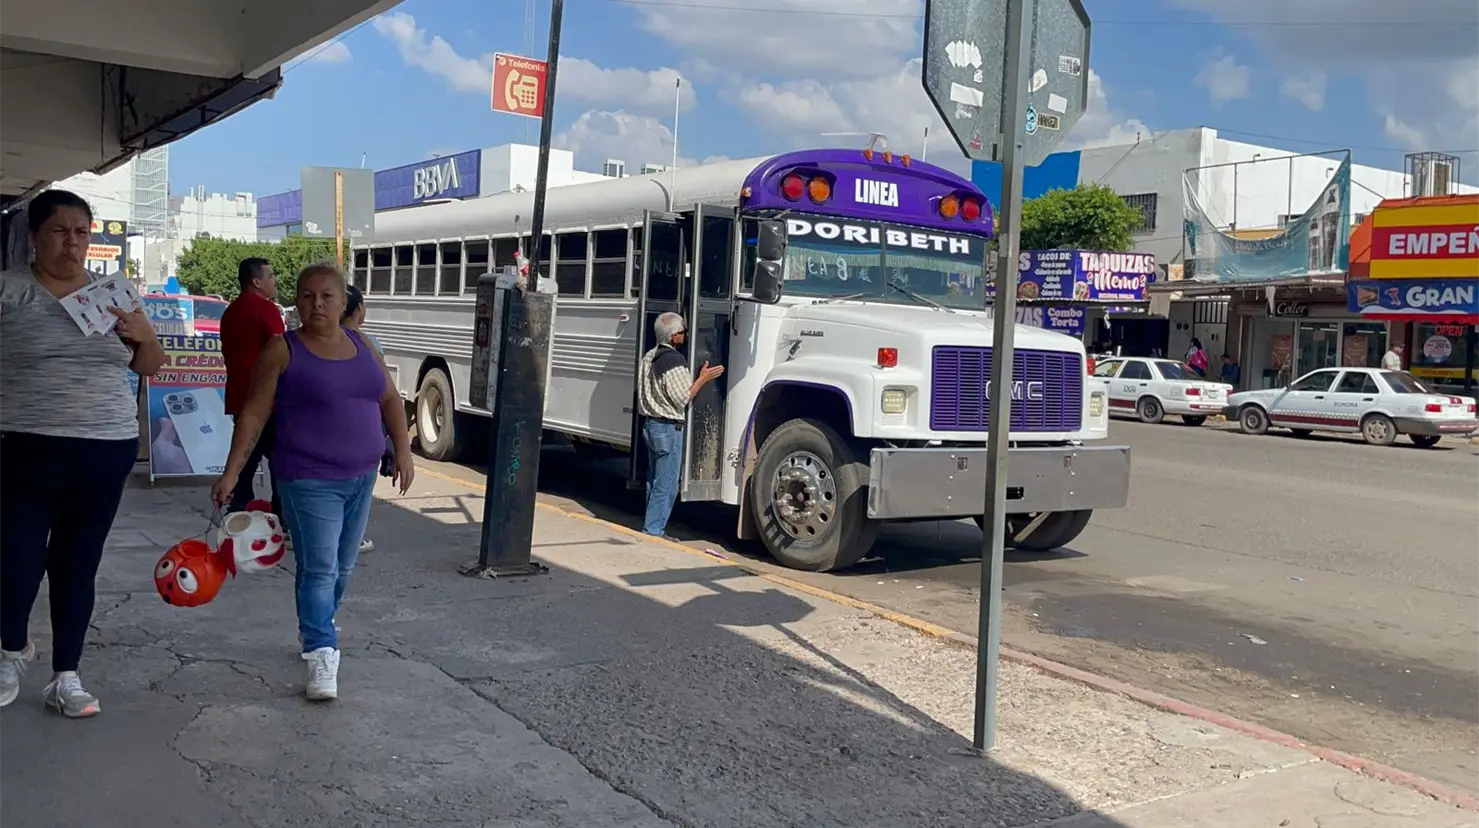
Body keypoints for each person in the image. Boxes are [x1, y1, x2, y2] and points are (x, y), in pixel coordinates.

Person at [210, 264, 414, 701]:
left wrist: (402, 449)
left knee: (342, 567)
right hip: (307, 479)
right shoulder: (283, 349)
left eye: (326, 296)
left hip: (360, 476)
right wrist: (231, 472)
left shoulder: (362, 345)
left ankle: (318, 624)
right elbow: (255, 413)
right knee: (319, 570)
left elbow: (390, 399)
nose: (316, 304)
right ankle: (321, 649)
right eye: (306, 296)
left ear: (344, 303)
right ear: (296, 302)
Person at [0, 189, 167, 717]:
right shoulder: (9, 292)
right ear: (33, 238)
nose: (72, 242)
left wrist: (144, 335)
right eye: (59, 230)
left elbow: (150, 368)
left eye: (81, 231)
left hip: (103, 448)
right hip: (22, 447)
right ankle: (11, 650)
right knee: (16, 562)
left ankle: (65, 676)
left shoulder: (115, 294)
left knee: (77, 564)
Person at [636, 312, 724, 539]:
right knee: (666, 484)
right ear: (674, 336)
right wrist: (702, 379)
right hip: (667, 428)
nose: (686, 335)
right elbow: (682, 399)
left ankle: (651, 524)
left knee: (654, 480)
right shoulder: (674, 361)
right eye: (683, 332)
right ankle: (653, 530)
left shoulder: (649, 356)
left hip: (651, 425)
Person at [220, 257, 285, 517]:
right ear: (256, 281)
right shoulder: (265, 309)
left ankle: (238, 509)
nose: (274, 281)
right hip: (267, 399)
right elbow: (281, 350)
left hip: (239, 397)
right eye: (270, 276)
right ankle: (283, 515)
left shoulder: (230, 312)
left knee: (245, 457)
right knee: (280, 460)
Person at [341, 283, 385, 554]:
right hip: (364, 435)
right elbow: (385, 391)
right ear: (358, 309)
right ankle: (351, 538)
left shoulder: (307, 344)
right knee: (356, 495)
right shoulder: (369, 342)